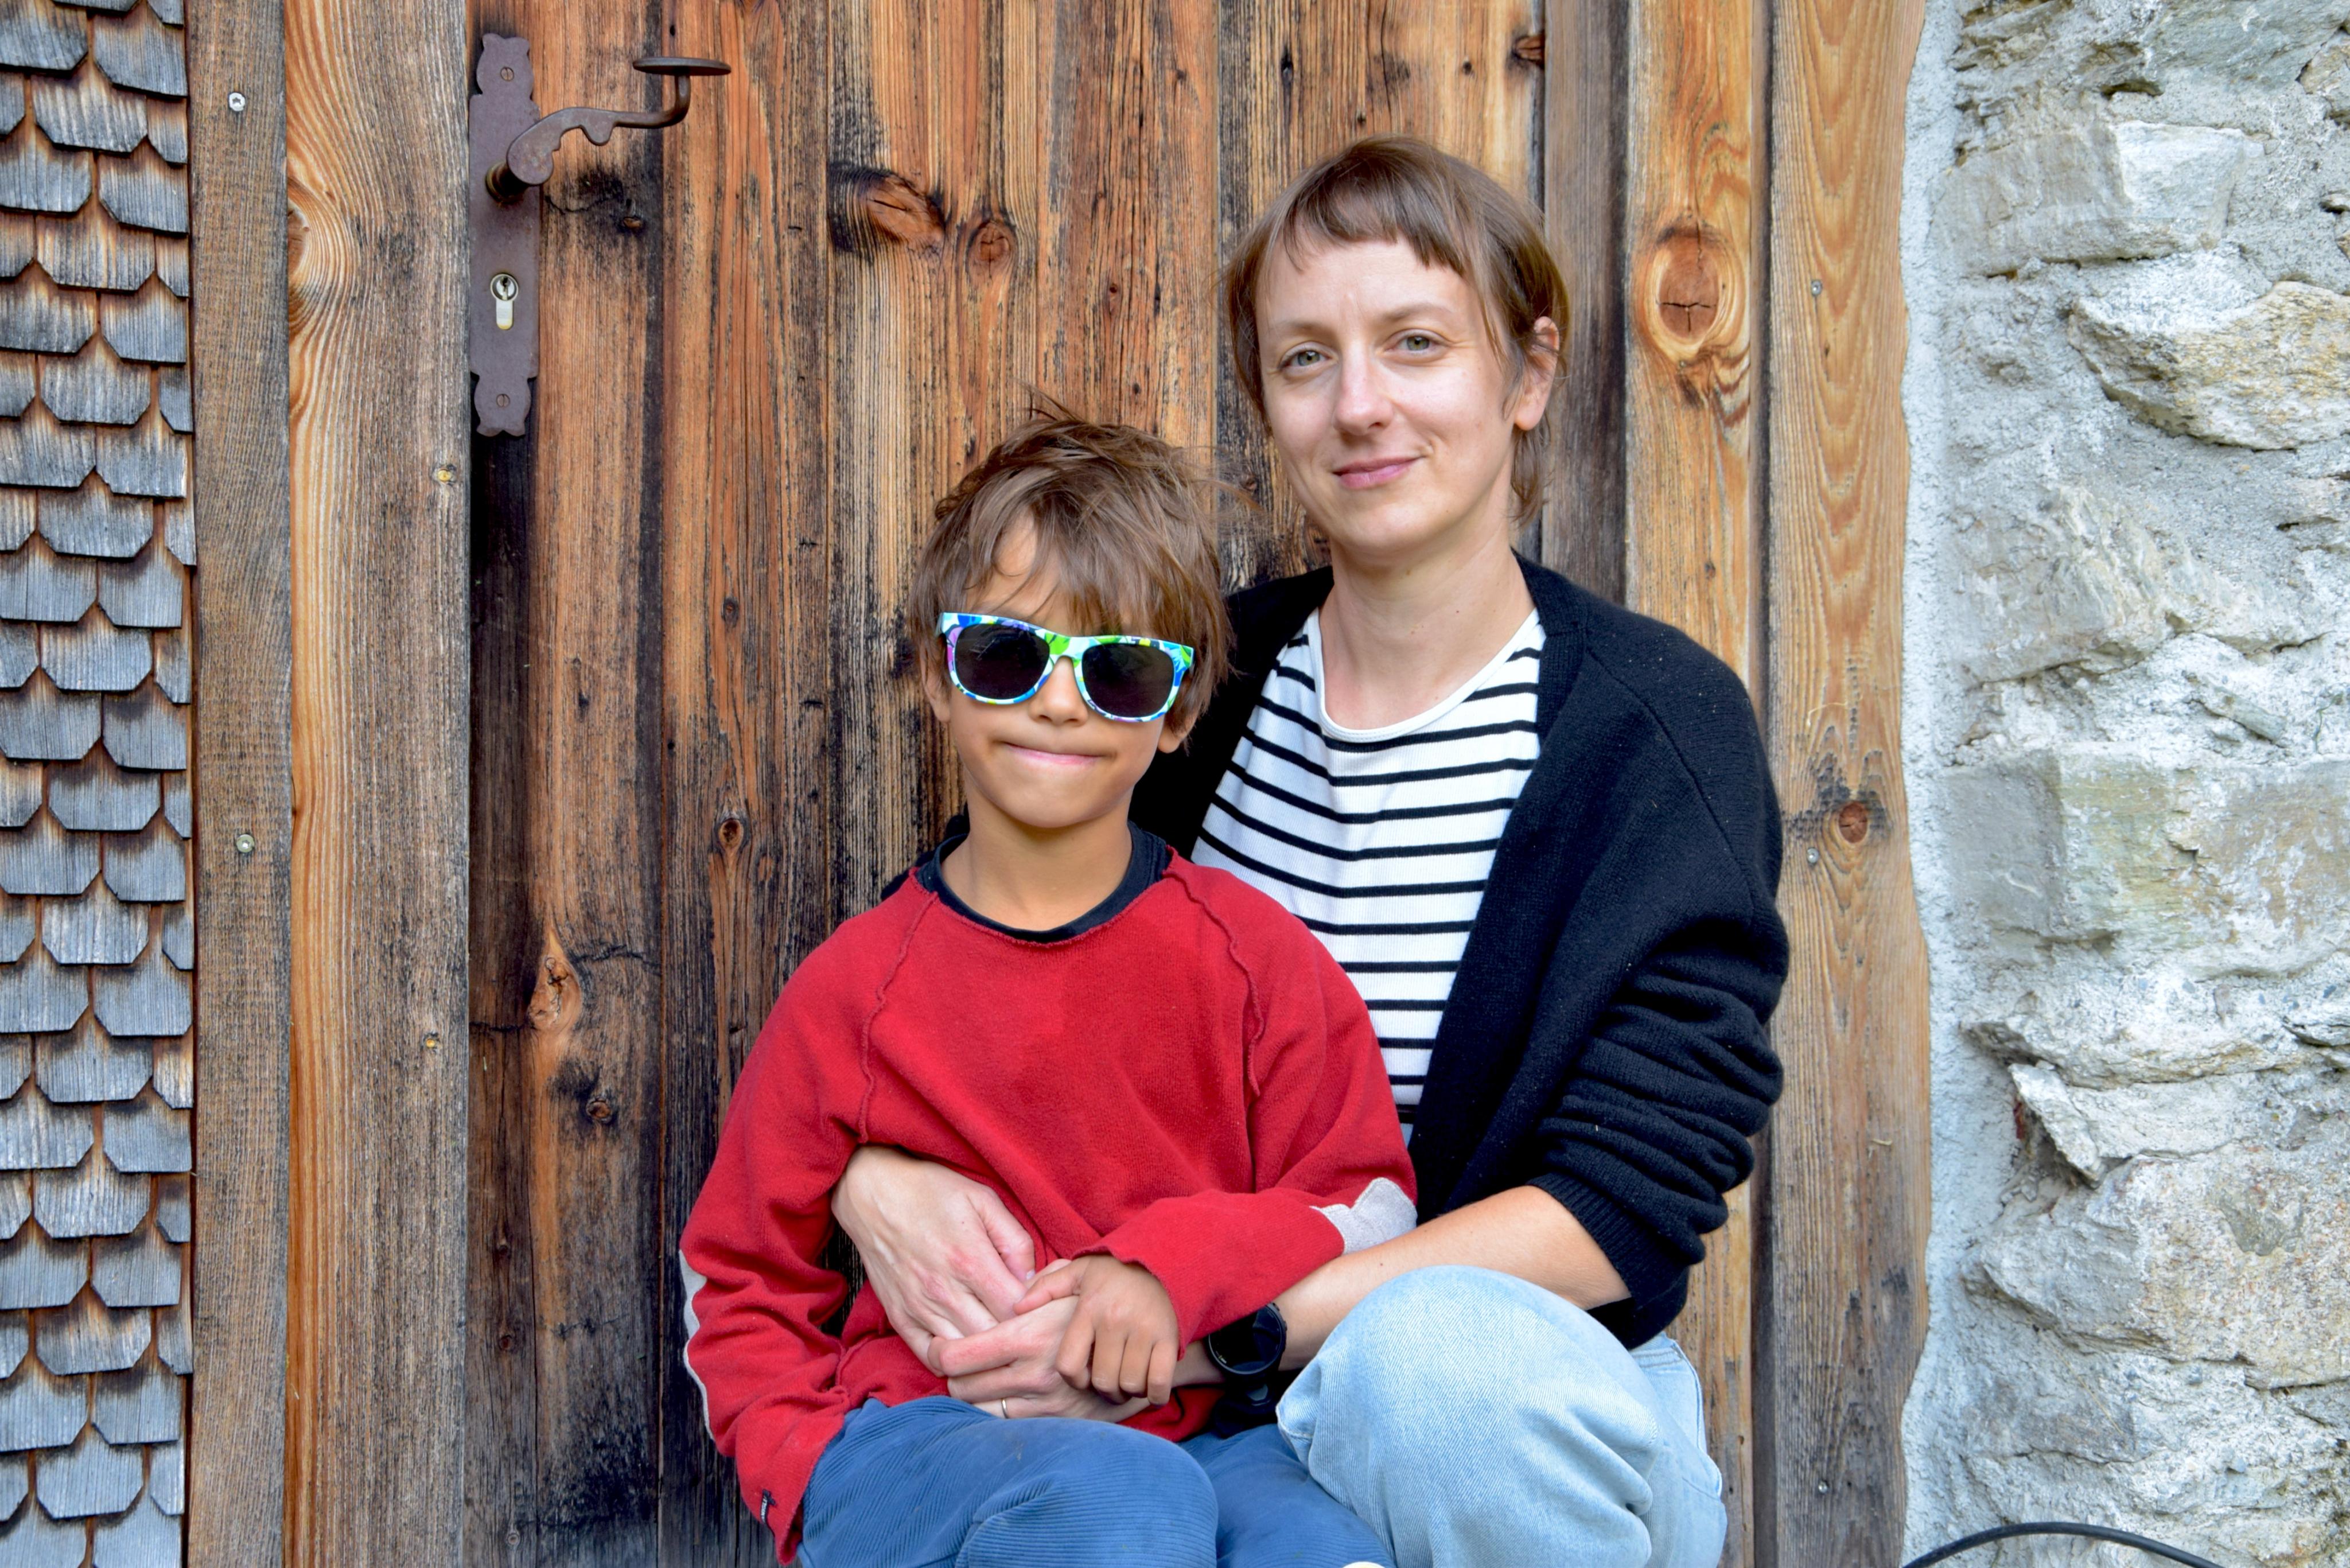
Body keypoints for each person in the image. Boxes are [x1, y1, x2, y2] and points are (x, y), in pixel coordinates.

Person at [828, 138, 1791, 1568]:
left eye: (1415, 344)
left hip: (1496, 1413)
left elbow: (1622, 1203)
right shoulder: (1181, 682)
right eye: (1303, 359)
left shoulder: (1650, 731)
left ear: (1526, 377)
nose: (1358, 406)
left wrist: (1216, 1323)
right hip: (1174, 1404)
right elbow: (946, 956)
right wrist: (867, 1171)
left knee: (1429, 1364)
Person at [678, 415, 1422, 1568]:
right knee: (1120, 1501)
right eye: (1006, 654)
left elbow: (1365, 1204)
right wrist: (803, 1472)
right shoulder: (854, 991)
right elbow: (738, 1272)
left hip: (1207, 1439)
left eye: (1118, 669)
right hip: (920, 1440)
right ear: (938, 675)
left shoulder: (1254, 963)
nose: (1060, 703)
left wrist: (1172, 1269)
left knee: (1326, 1549)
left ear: (1179, 712)